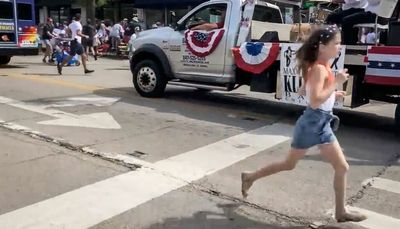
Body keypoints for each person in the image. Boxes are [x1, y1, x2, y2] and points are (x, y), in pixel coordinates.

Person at [240, 26, 368, 223]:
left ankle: (341, 212)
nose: (339, 47)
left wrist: (333, 94)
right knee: (289, 164)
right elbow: (315, 100)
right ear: (323, 47)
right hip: (312, 123)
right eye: (336, 43)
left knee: (341, 166)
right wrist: (336, 83)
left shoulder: (320, 67)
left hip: (321, 122)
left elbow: (308, 93)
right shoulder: (318, 68)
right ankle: (250, 177)